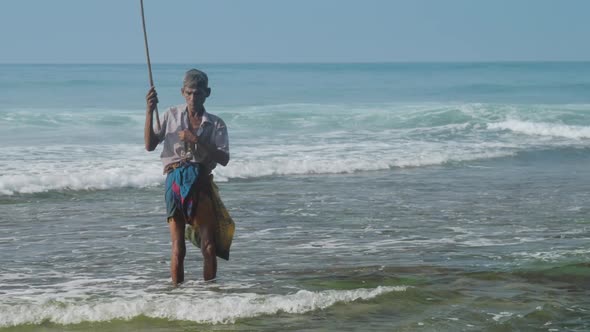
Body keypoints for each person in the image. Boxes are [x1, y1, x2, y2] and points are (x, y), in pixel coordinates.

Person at [144, 69, 230, 285]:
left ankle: (210, 295)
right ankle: (177, 296)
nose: (193, 98)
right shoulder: (171, 115)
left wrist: (197, 140)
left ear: (207, 93)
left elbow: (224, 158)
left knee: (209, 246)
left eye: (198, 94)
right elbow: (149, 145)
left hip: (200, 182)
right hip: (174, 180)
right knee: (178, 248)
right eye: (189, 93)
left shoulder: (216, 123)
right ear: (183, 92)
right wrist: (149, 111)